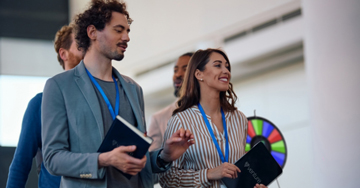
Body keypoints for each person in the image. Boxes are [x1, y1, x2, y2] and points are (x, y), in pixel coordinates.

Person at [41, 1, 194, 188]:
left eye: (128, 31)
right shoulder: (59, 86)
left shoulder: (133, 89)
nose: (127, 37)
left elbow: (139, 160)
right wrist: (103, 160)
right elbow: (53, 159)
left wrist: (164, 156)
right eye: (119, 30)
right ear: (92, 32)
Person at [159, 48, 268, 188]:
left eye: (227, 67)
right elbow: (167, 180)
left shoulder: (239, 119)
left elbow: (240, 175)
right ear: (199, 74)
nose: (226, 71)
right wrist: (209, 174)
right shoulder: (180, 121)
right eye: (218, 65)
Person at [6, 24, 84, 188]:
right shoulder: (40, 104)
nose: (87, 52)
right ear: (64, 54)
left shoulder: (98, 104)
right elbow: (20, 165)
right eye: (80, 45)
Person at [147, 52, 193, 151]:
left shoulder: (213, 112)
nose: (177, 74)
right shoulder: (158, 119)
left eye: (185, 69)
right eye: (175, 70)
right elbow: (151, 162)